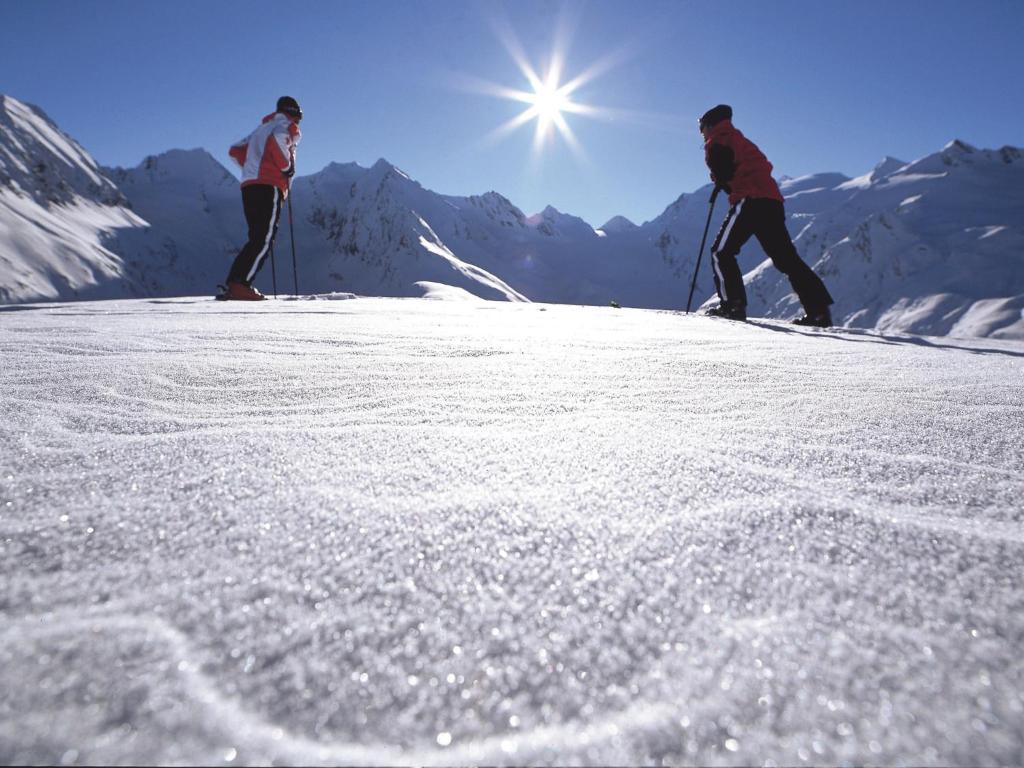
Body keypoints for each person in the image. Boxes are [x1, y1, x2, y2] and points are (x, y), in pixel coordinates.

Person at [699, 104, 834, 326]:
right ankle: (818, 311)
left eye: (701, 127)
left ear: (709, 124)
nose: (701, 132)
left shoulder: (717, 141)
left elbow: (724, 172)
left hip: (749, 201)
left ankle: (732, 305)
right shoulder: (739, 139)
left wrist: (720, 182)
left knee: (721, 252)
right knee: (787, 259)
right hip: (772, 202)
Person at [217, 97, 303, 301]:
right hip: (269, 185)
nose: (298, 123)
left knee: (256, 237)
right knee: (264, 238)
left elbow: (235, 151)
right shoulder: (285, 126)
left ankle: (236, 283)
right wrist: (286, 167)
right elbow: (278, 141)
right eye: (299, 117)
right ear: (294, 113)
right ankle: (240, 285)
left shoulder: (261, 129)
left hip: (249, 185)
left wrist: (252, 169)